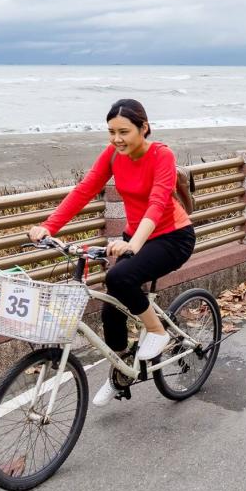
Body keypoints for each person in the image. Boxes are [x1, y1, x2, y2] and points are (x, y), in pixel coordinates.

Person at [28, 99, 195, 405]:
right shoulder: (113, 155)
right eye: (111, 132)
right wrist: (49, 227)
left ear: (143, 128)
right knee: (110, 307)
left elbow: (158, 203)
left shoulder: (162, 155)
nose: (117, 139)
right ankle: (120, 373)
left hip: (173, 237)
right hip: (137, 236)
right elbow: (84, 190)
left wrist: (134, 243)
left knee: (119, 277)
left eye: (124, 131)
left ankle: (158, 332)